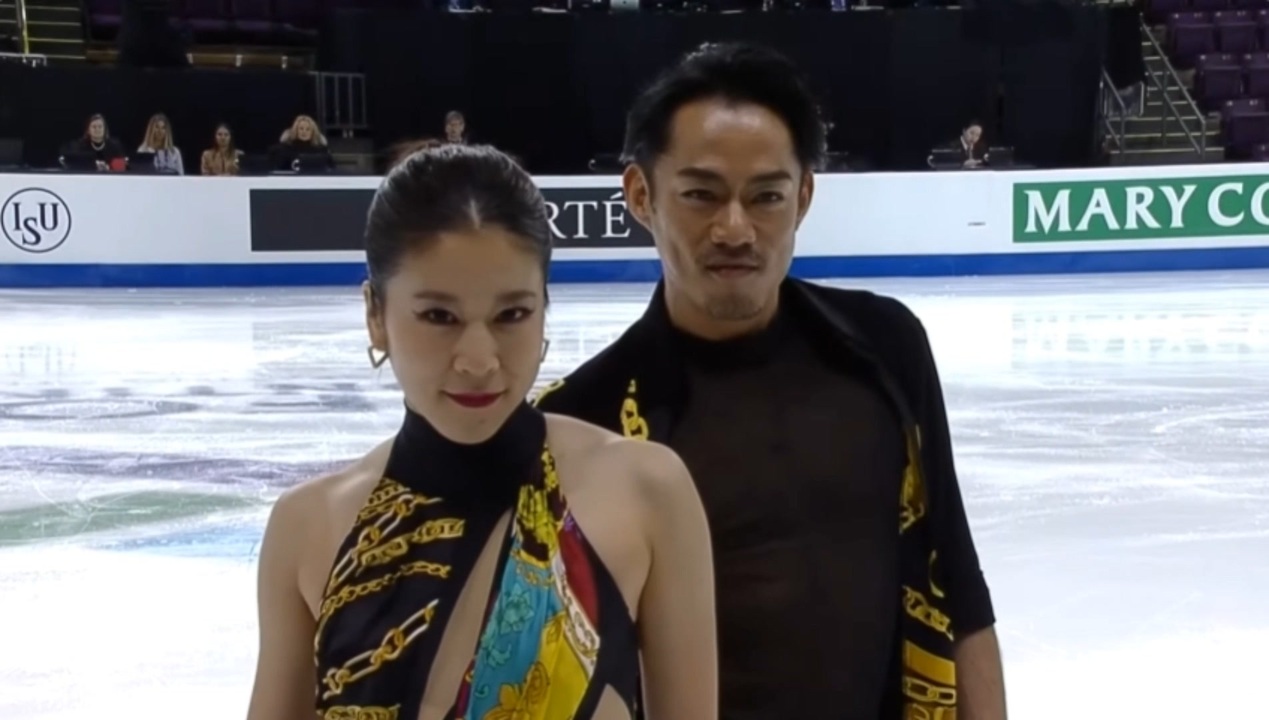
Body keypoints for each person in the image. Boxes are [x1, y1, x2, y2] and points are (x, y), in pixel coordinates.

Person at [534, 42, 1006, 720]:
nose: (735, 229)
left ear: (803, 196)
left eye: (766, 197)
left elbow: (957, 584)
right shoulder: (584, 418)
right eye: (701, 195)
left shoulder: (884, 345)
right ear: (640, 194)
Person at [246, 143, 717, 720]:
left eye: (511, 315)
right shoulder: (307, 526)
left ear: (544, 309)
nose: (479, 360)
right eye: (439, 316)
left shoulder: (647, 491)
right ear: (375, 315)